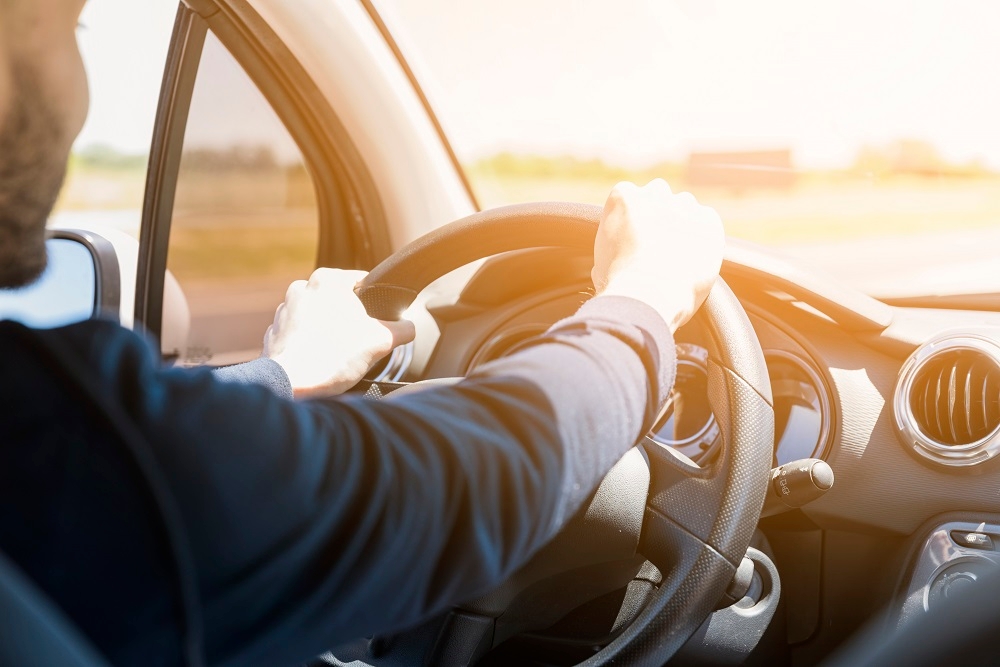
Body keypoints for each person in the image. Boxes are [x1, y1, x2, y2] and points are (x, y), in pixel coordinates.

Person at [0, 1, 725, 665]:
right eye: (71, 27)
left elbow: (178, 470)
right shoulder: (52, 438)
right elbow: (473, 478)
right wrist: (645, 296)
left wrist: (284, 373)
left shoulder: (64, 452)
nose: (80, 89)